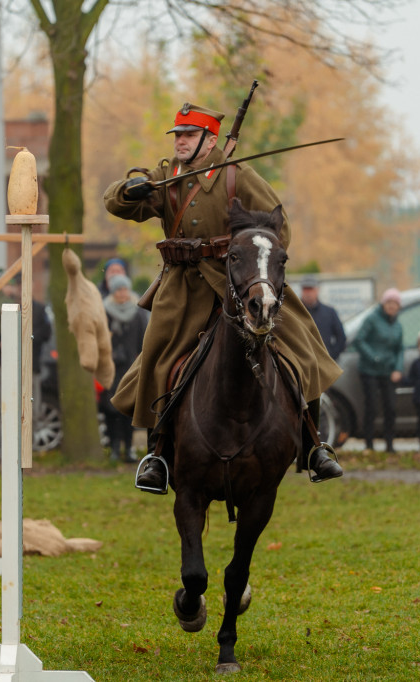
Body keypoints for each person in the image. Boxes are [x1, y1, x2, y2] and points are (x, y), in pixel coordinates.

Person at [103, 102, 343, 491]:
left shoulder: (238, 176)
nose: (180, 141)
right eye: (178, 135)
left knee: (300, 351)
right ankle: (157, 457)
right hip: (183, 289)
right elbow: (115, 203)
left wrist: (247, 255)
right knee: (157, 359)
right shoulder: (166, 175)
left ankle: (315, 446)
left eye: (189, 135)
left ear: (210, 140)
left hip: (240, 282)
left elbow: (279, 229)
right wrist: (129, 189)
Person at [0, 273, 52, 450]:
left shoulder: (39, 309)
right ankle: (5, 451)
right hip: (3, 365)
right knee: (3, 410)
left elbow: (46, 333)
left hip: (30, 366)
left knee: (32, 410)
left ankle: (28, 449)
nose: (20, 288)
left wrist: (27, 338)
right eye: (17, 285)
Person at [101, 273, 150, 462]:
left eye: (125, 289)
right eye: (119, 290)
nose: (123, 293)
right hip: (110, 368)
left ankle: (129, 449)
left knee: (129, 409)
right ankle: (114, 448)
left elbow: (143, 340)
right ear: (113, 292)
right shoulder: (104, 312)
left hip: (130, 368)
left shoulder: (137, 313)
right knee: (110, 409)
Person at [353, 287, 404, 452]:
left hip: (388, 371)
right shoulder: (372, 319)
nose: (391, 306)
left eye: (395, 303)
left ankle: (389, 444)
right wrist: (373, 357)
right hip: (369, 370)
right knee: (372, 407)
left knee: (390, 407)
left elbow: (400, 349)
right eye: (389, 302)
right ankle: (369, 444)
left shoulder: (397, 325)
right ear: (383, 304)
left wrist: (398, 368)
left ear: (398, 306)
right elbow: (359, 340)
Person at [300, 276, 346, 360]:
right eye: (305, 289)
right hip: (299, 364)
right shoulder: (293, 312)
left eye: (310, 289)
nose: (308, 293)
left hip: (323, 364)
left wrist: (331, 357)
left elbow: (341, 338)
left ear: (317, 290)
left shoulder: (329, 312)